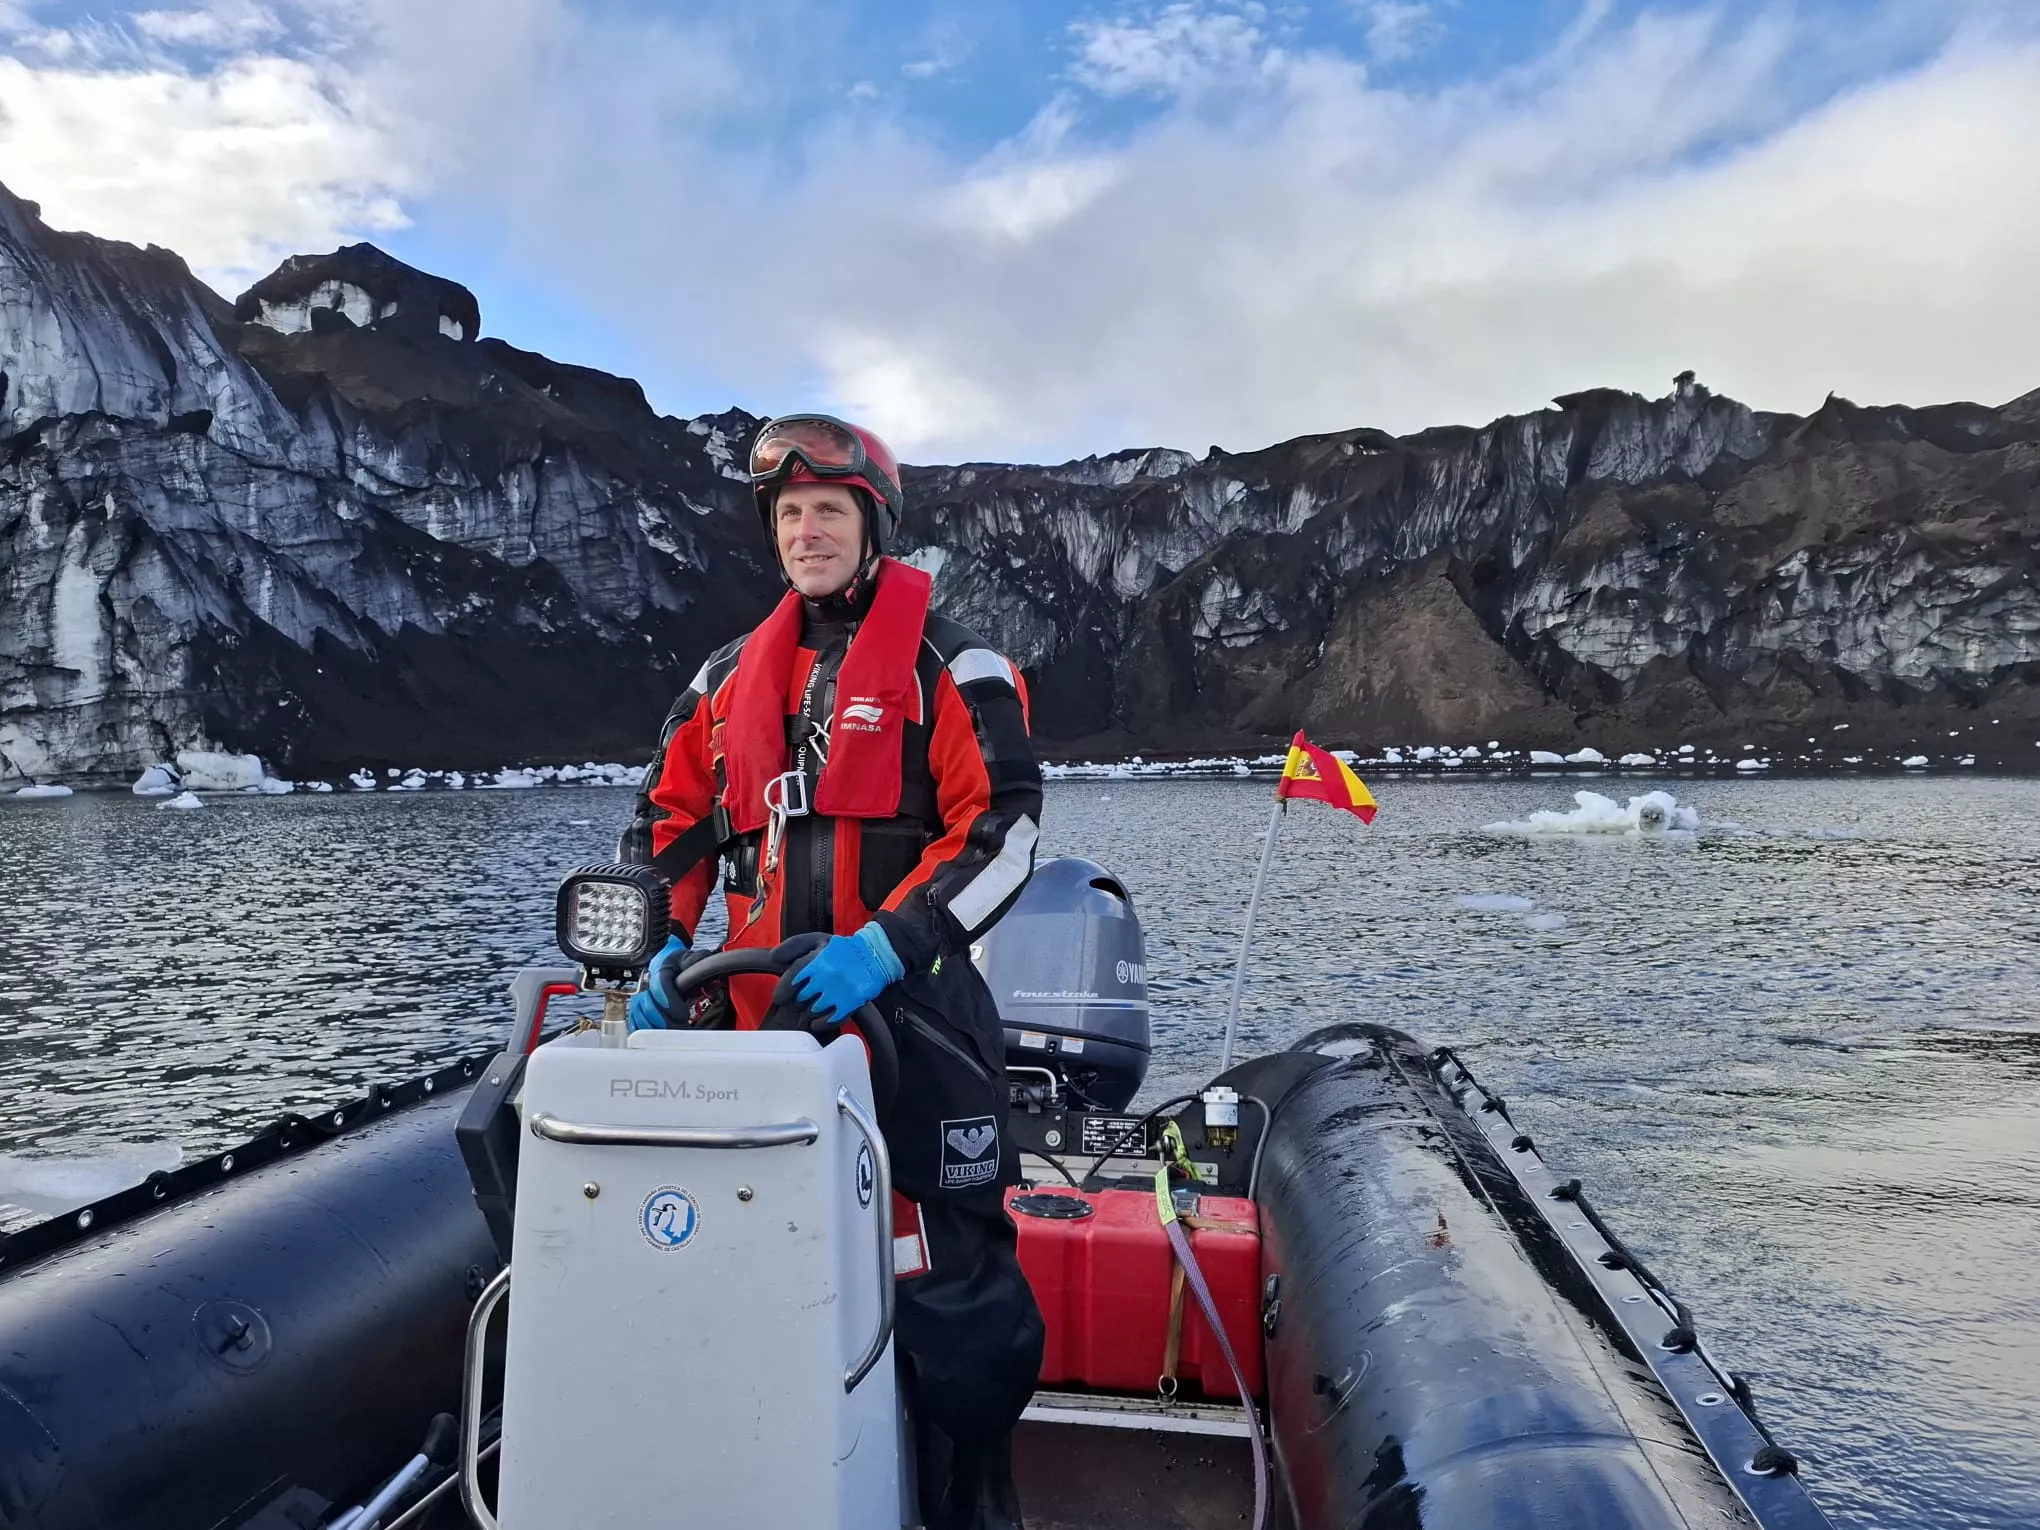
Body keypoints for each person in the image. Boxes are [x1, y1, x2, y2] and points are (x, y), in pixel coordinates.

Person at [618, 412, 1045, 1530]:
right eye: (791, 514)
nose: (808, 532)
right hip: (760, 1031)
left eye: (830, 511)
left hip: (915, 1021)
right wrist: (667, 939)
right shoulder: (721, 682)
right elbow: (666, 825)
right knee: (750, 1262)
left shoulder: (957, 666)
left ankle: (977, 1496)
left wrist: (886, 950)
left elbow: (1004, 833)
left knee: (954, 1288)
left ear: (874, 525)